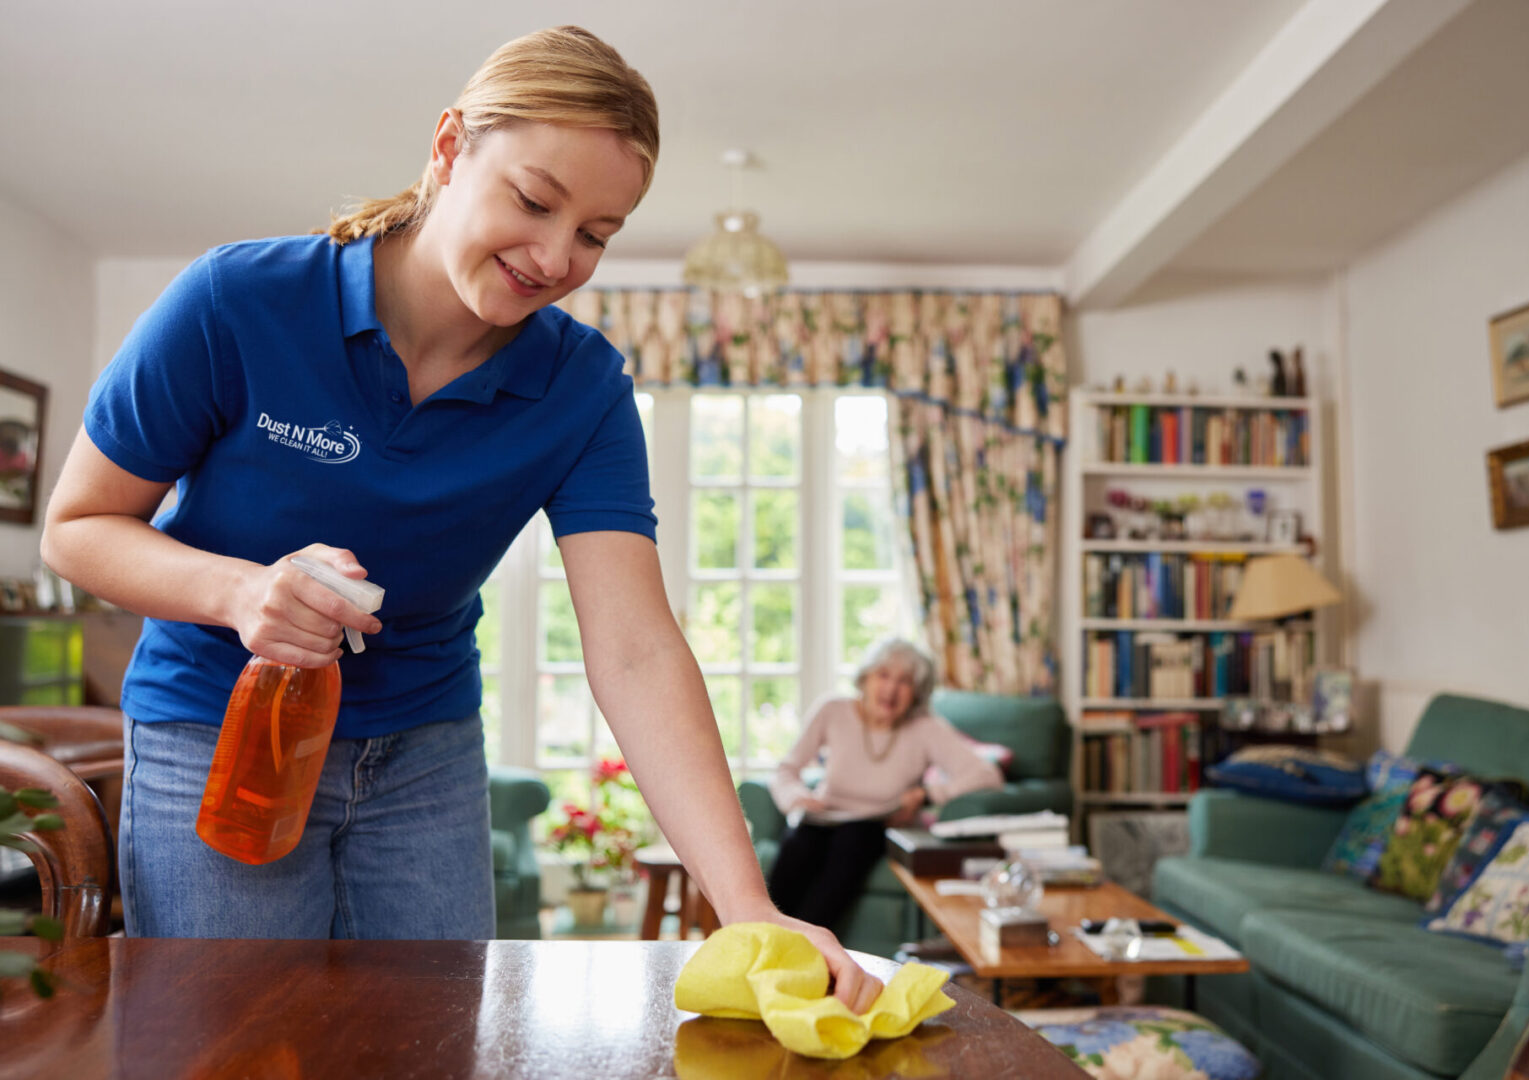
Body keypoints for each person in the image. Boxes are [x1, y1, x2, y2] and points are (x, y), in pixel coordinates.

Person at [40, 26, 880, 1012]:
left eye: (598, 234)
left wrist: (747, 907)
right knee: (237, 1043)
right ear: (448, 148)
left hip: (422, 752)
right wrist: (239, 590)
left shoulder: (582, 388)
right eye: (534, 201)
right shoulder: (240, 301)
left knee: (430, 1045)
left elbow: (636, 649)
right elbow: (77, 525)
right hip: (217, 734)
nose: (556, 256)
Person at [767, 638, 1003, 930]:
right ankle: (763, 939)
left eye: (904, 682)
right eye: (883, 675)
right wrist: (797, 797)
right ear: (865, 678)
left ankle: (808, 950)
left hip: (876, 826)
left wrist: (927, 795)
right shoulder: (832, 710)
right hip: (823, 817)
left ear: (917, 692)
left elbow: (985, 775)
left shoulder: (926, 727)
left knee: (852, 841)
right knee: (799, 843)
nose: (891, 689)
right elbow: (785, 770)